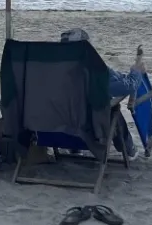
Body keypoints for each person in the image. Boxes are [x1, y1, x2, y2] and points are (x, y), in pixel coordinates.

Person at [60, 28, 140, 158]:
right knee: (112, 109)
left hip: (56, 129)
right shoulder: (95, 72)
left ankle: (74, 147)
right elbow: (129, 86)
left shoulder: (52, 72)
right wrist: (136, 72)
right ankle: (128, 148)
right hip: (91, 131)